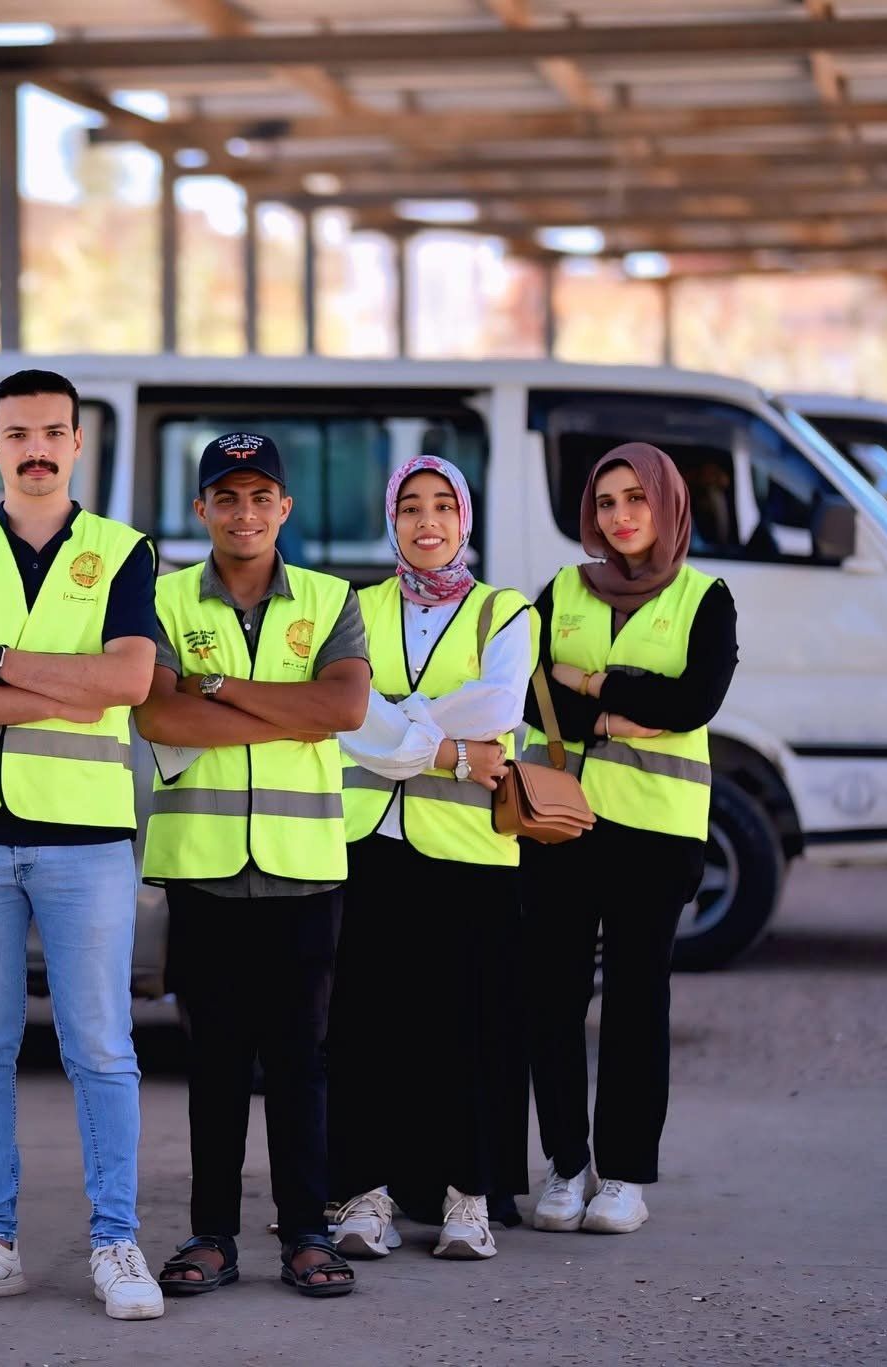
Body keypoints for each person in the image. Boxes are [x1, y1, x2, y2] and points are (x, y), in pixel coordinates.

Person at [0, 370, 164, 1322]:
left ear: (79, 443)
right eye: (19, 433)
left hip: (84, 840)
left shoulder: (123, 551)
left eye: (54, 431)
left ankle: (115, 1242)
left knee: (101, 1046)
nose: (37, 447)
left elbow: (128, 678)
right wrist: (64, 683)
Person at [134, 434, 368, 1299]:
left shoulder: (333, 597)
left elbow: (342, 706)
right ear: (201, 509)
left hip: (303, 869)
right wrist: (285, 710)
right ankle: (214, 1234)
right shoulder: (159, 600)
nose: (244, 512)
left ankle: (309, 1232)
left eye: (260, 495)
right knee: (217, 1062)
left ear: (285, 509)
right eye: (225, 497)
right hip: (204, 869)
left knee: (302, 1061)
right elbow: (161, 719)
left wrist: (220, 689)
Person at [521, 442, 738, 1237]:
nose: (619, 516)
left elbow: (694, 700)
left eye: (634, 499)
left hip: (657, 829)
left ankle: (626, 1176)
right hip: (563, 821)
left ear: (666, 504)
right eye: (606, 502)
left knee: (638, 1002)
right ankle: (567, 1164)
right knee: (552, 996)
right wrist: (620, 703)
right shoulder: (561, 591)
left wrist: (592, 688)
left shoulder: (705, 597)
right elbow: (531, 690)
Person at [326, 456, 536, 1262]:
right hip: (367, 842)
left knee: (470, 1025)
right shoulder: (357, 605)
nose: (426, 522)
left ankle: (467, 1197)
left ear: (465, 518)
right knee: (367, 1023)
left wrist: (399, 727)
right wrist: (448, 749)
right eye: (410, 507)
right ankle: (365, 1192)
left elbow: (500, 703)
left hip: (471, 851)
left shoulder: (502, 610)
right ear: (391, 519)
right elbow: (347, 715)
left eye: (443, 505)